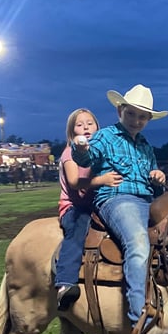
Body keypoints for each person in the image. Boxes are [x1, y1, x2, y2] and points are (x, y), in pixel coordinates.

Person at [72, 84, 168, 334]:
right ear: (120, 110)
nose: (137, 120)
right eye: (132, 114)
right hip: (117, 200)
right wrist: (80, 148)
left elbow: (153, 180)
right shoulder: (105, 136)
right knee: (138, 243)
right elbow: (85, 158)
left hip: (147, 200)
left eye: (142, 117)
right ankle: (140, 320)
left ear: (148, 119)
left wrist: (158, 177)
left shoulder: (146, 147)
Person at [53, 108, 122, 310]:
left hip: (97, 204)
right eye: (79, 124)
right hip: (75, 206)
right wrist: (102, 180)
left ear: (97, 127)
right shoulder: (69, 152)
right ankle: (65, 282)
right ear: (72, 131)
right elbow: (74, 182)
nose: (85, 127)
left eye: (89, 123)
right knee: (78, 227)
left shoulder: (99, 152)